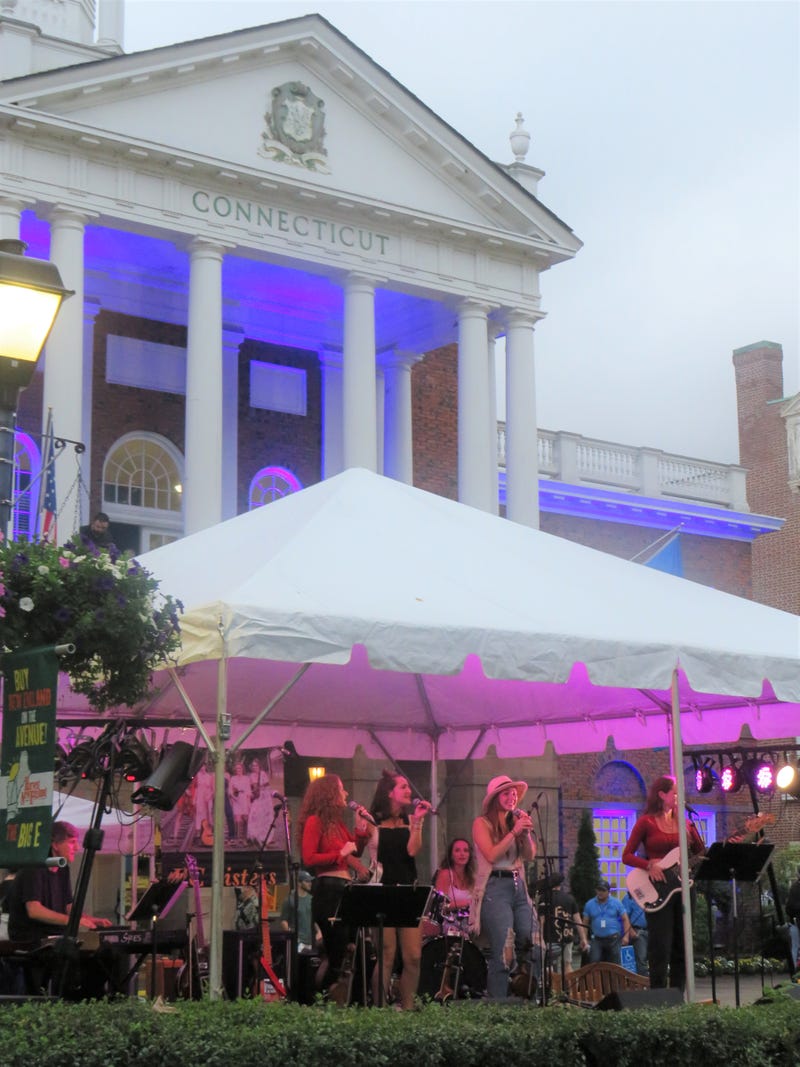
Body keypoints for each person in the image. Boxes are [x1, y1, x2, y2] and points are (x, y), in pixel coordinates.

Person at [6, 822, 112, 996]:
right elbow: (34, 910)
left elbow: (68, 907)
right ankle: (68, 1000)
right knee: (70, 955)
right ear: (54, 844)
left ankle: (93, 999)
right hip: (31, 938)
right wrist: (73, 921)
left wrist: (91, 919)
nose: (76, 847)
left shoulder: (62, 869)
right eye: (71, 842)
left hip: (56, 936)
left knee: (107, 952)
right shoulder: (35, 867)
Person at [622, 774, 705, 989]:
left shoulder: (686, 823)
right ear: (661, 794)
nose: (679, 797)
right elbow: (627, 855)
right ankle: (658, 995)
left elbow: (701, 853)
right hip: (658, 889)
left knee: (683, 944)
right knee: (661, 945)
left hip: (684, 888)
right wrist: (650, 865)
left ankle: (678, 995)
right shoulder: (646, 822)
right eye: (675, 793)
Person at [299, 774, 371, 993]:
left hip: (344, 888)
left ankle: (346, 996)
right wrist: (338, 853)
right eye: (341, 789)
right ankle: (327, 994)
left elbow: (355, 850)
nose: (346, 793)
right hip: (328, 889)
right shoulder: (315, 821)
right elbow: (309, 858)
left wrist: (360, 829)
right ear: (329, 793)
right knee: (338, 950)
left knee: (352, 948)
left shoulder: (337, 824)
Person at [368, 770, 431, 1010]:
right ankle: (380, 1007)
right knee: (386, 953)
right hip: (382, 891)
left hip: (408, 891)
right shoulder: (373, 819)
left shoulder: (409, 820)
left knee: (413, 956)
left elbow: (413, 851)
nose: (409, 791)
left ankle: (408, 1007)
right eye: (403, 787)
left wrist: (418, 822)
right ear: (389, 792)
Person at [471, 774, 537, 999]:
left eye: (514, 793)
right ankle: (499, 1005)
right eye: (507, 793)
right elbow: (490, 854)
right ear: (495, 798)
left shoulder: (514, 823)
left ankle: (528, 993)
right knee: (504, 950)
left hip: (519, 888)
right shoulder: (482, 823)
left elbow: (529, 856)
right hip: (496, 888)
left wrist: (525, 835)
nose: (512, 797)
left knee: (534, 941)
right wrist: (514, 832)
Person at [539, 871, 588, 976]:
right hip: (567, 936)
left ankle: (553, 990)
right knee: (568, 964)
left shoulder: (544, 898)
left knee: (549, 966)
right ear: (559, 885)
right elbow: (578, 920)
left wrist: (540, 938)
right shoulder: (569, 898)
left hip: (551, 937)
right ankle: (569, 989)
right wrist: (583, 938)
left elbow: (541, 920)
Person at [433, 838, 475, 936]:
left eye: (466, 850)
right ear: (451, 855)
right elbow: (440, 905)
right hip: (449, 923)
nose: (462, 854)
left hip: (469, 922)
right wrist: (468, 903)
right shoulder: (446, 874)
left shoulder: (472, 877)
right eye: (457, 850)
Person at [583, 880, 630, 964]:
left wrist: (626, 936)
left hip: (613, 939)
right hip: (596, 939)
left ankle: (614, 977)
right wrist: (584, 939)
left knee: (615, 964)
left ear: (608, 892)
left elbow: (625, 919)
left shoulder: (616, 903)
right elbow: (585, 922)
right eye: (598, 890)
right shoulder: (589, 904)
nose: (600, 892)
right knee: (594, 962)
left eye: (603, 890)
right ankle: (597, 977)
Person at [279, 870, 319, 953]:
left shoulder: (311, 899)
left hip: (310, 941)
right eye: (307, 881)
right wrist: (292, 938)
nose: (310, 883)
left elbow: (314, 918)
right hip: (297, 941)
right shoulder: (290, 900)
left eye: (310, 881)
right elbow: (284, 921)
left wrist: (319, 932)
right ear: (299, 883)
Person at [621, 889, 649, 976]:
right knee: (641, 958)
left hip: (652, 930)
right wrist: (631, 931)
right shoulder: (628, 897)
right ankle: (643, 983)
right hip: (638, 931)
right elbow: (624, 917)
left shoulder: (649, 895)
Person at [785, 866, 800, 973]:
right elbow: (790, 908)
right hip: (796, 922)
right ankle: (795, 971)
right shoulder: (795, 888)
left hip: (795, 921)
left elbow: (789, 907)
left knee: (795, 947)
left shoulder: (795, 887)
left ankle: (795, 971)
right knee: (795, 947)